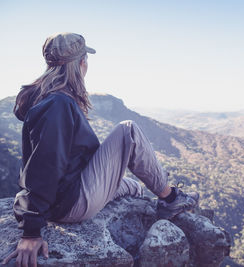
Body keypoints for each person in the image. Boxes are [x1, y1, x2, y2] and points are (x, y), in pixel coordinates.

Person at [2, 32, 199, 267]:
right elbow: (45, 165)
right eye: (86, 59)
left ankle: (155, 199)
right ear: (81, 63)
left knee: (134, 187)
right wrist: (31, 232)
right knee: (129, 130)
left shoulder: (44, 97)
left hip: (73, 187)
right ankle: (171, 199)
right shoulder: (58, 104)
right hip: (71, 201)